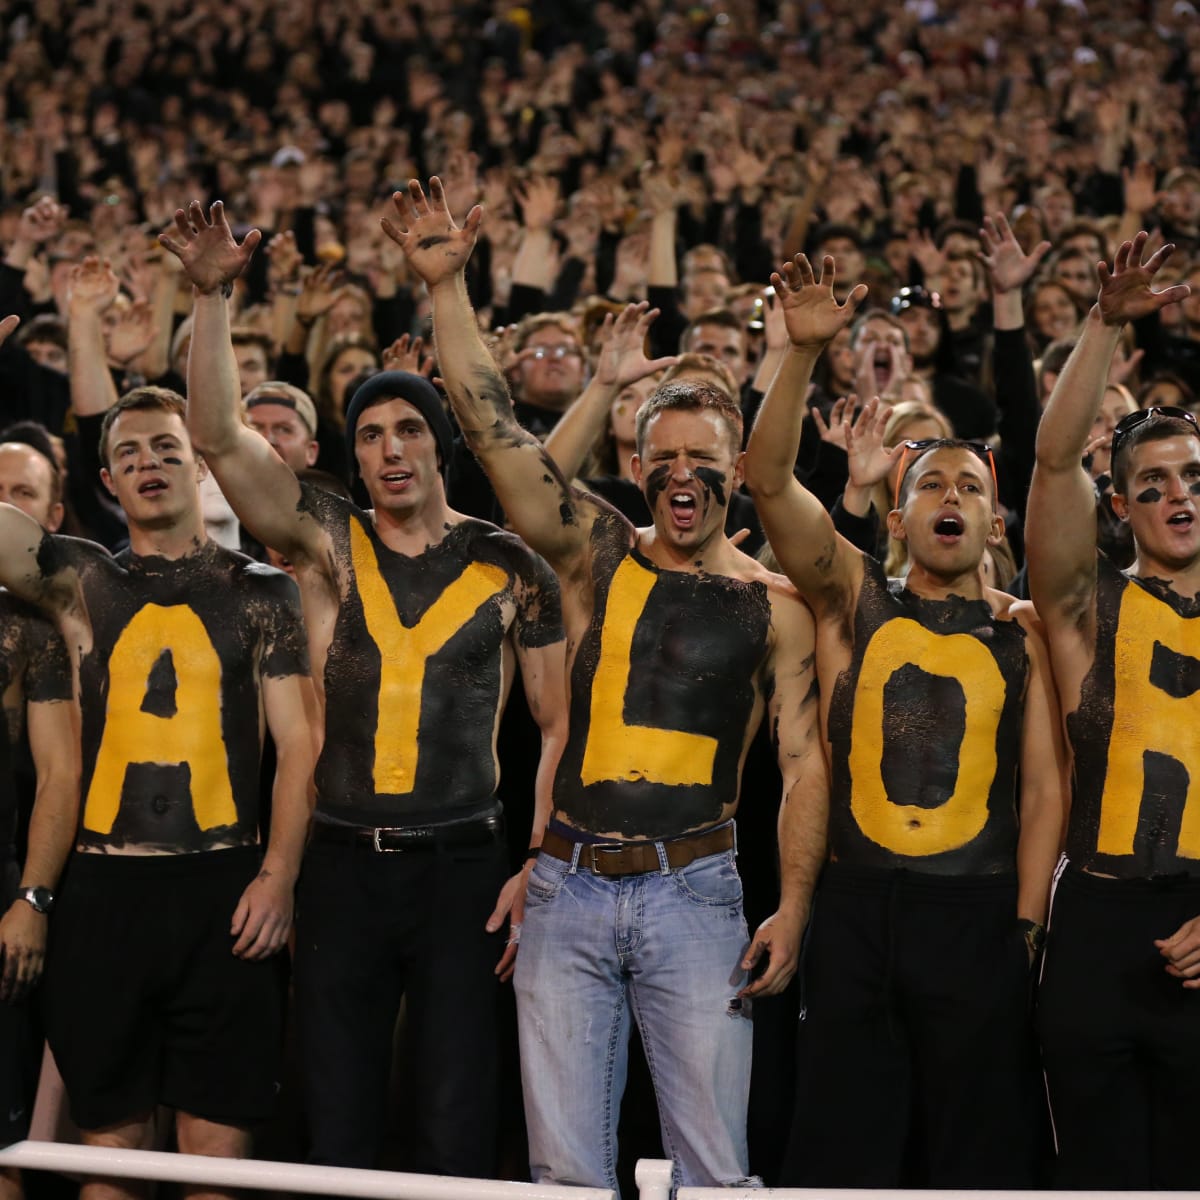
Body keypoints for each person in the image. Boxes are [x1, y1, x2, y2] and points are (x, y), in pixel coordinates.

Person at [392, 176, 826, 1194]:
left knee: (716, 1171)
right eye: (660, 455)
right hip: (567, 887)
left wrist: (795, 905)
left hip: (697, 890)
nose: (680, 473)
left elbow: (806, 767)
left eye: (703, 458)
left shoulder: (778, 605)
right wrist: (449, 290)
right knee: (561, 1173)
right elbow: (498, 437)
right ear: (637, 461)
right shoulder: (598, 553)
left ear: (737, 471)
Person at [163, 199, 568, 1177]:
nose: (390, 449)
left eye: (408, 431)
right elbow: (218, 436)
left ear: (438, 443)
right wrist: (213, 295)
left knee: (456, 1118)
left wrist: (537, 863)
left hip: (464, 872)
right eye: (373, 434)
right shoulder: (327, 543)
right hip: (342, 869)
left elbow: (558, 728)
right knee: (335, 1123)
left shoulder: (511, 563)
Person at [743, 254, 1065, 1187]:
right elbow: (767, 480)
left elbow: (1045, 790)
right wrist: (802, 355)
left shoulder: (1027, 633)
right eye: (931, 484)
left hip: (979, 917)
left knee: (979, 1159)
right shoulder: (853, 599)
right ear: (896, 514)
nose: (951, 499)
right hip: (856, 911)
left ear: (997, 525)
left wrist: (1026, 930)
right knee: (844, 1152)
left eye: (970, 487)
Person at [0, 353, 315, 1200]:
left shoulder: (262, 594)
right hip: (102, 893)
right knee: (110, 1152)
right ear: (105, 477)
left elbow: (301, 751)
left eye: (167, 448)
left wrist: (279, 876)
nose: (149, 463)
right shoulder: (76, 581)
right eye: (130, 452)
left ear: (201, 463)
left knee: (215, 1156)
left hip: (225, 892)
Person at [1026, 232, 1200, 1188]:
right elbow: (1054, 468)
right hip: (1094, 923)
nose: (1180, 497)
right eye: (1154, 485)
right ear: (1123, 509)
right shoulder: (1083, 607)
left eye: (1195, 478)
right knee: (1097, 1180)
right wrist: (1099, 326)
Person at [0, 320, 79, 1188]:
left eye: (19, 494)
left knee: (7, 1140)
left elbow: (59, 775)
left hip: (10, 886)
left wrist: (31, 897)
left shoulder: (43, 632)